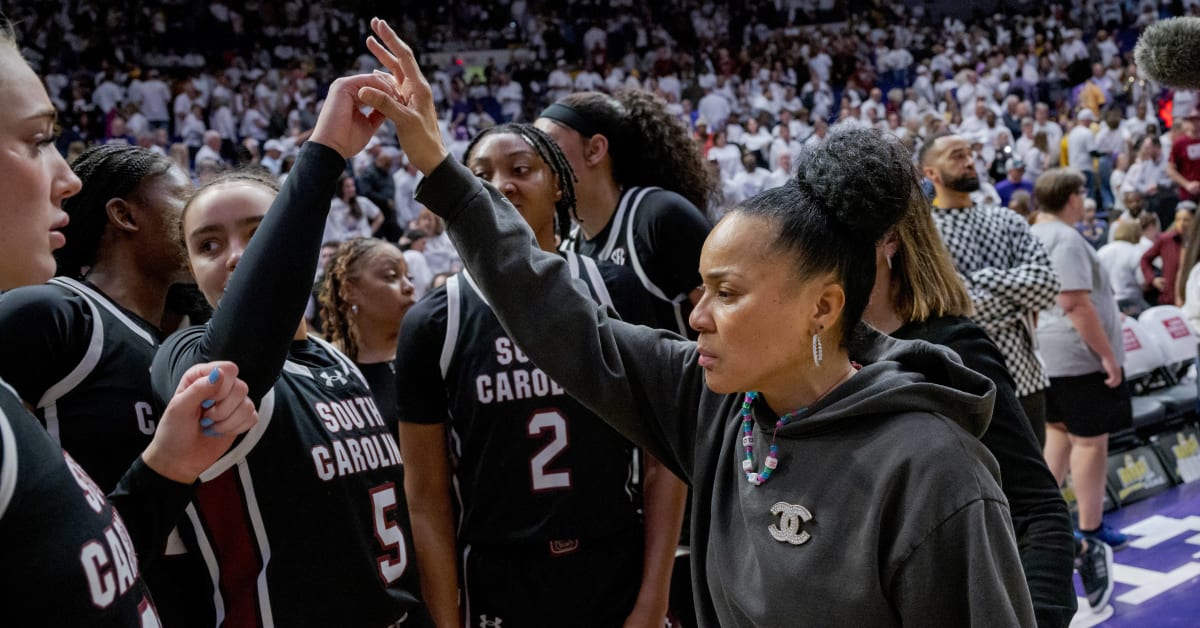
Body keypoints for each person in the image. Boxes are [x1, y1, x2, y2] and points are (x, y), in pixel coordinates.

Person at [360, 20, 1035, 626]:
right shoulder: (714, 404)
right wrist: (437, 165)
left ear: (823, 308)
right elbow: (553, 315)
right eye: (702, 288)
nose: (697, 314)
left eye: (726, 292)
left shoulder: (932, 467)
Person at [150, 71, 429, 626]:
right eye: (209, 244)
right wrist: (324, 155)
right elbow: (242, 356)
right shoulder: (180, 354)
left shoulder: (337, 359)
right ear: (189, 268)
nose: (236, 257)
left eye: (260, 233)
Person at [0, 23, 255, 624]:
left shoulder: (182, 340)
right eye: (38, 140)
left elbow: (102, 551)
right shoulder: (59, 313)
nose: (66, 177)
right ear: (123, 215)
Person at [397, 122, 682, 627]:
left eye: (521, 169)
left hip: (613, 562)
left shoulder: (618, 291)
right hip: (500, 575)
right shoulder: (434, 322)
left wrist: (653, 600)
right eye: (479, 174)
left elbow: (664, 462)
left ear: (558, 184)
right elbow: (426, 499)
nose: (500, 184)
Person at [860, 184, 1083, 624]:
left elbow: (1038, 508)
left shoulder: (951, 346)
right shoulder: (818, 352)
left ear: (888, 239)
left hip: (1026, 377)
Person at [0, 144, 191, 492]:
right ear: (125, 215)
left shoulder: (175, 344)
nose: (199, 213)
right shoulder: (51, 312)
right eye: (185, 198)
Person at [536, 89, 716, 339]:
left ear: (595, 149)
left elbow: (730, 320)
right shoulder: (570, 247)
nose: (535, 159)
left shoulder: (659, 216)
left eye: (546, 144)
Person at [920, 132, 1061, 443]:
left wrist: (977, 279)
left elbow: (1048, 286)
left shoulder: (1007, 219)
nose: (969, 161)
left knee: (1039, 486)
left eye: (970, 153)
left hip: (1026, 376)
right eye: (957, 156)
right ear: (930, 173)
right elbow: (953, 304)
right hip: (967, 385)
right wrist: (1016, 301)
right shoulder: (924, 232)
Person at [1030, 168, 1133, 558]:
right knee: (1090, 442)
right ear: (1072, 197)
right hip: (1077, 356)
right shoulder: (1065, 238)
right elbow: (1074, 302)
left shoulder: (1035, 231)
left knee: (1057, 435)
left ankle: (1043, 525)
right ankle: (1090, 527)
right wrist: (1108, 356)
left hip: (1049, 355)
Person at [318, 237, 416, 431]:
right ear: (349, 290)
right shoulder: (324, 367)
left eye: (408, 277)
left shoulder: (431, 354)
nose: (409, 287)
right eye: (391, 276)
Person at [1140, 202, 1196, 305]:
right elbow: (1145, 259)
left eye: (1186, 220)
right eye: (1178, 220)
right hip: (1169, 298)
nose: (1181, 224)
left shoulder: (1196, 243)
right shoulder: (1166, 240)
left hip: (1193, 298)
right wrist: (1152, 279)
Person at [324, 171, 384, 243]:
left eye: (353, 185)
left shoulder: (362, 202)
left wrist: (369, 232)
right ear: (340, 188)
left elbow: (379, 216)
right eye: (348, 186)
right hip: (343, 244)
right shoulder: (332, 207)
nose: (352, 189)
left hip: (364, 243)